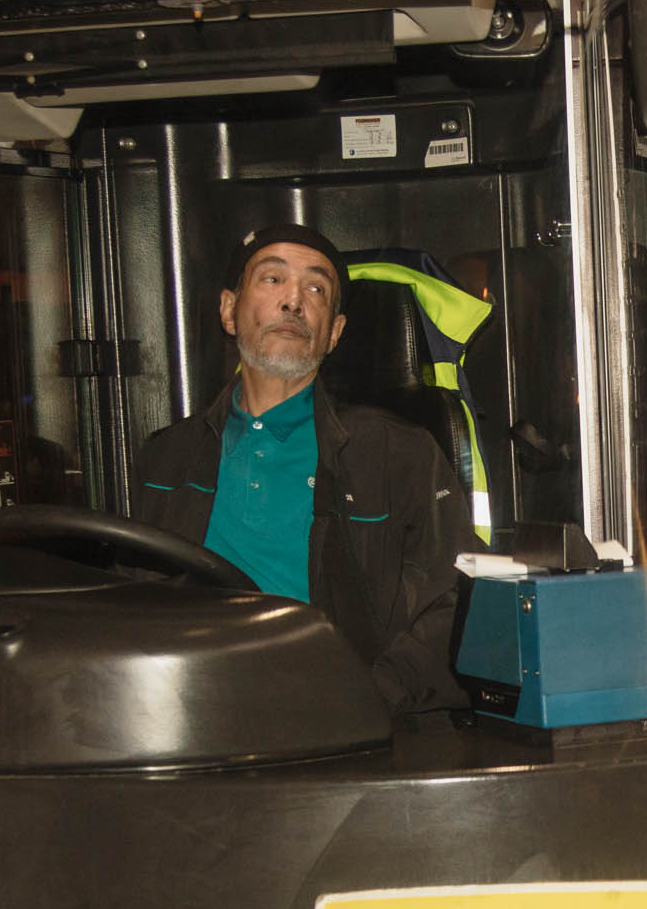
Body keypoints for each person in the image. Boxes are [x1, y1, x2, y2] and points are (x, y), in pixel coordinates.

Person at [134, 224, 467, 715]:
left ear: (333, 332)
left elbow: (451, 597)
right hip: (193, 721)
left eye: (316, 289)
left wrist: (365, 700)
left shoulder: (397, 455)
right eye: (272, 280)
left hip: (340, 724)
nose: (293, 300)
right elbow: (130, 604)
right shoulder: (164, 459)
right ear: (229, 311)